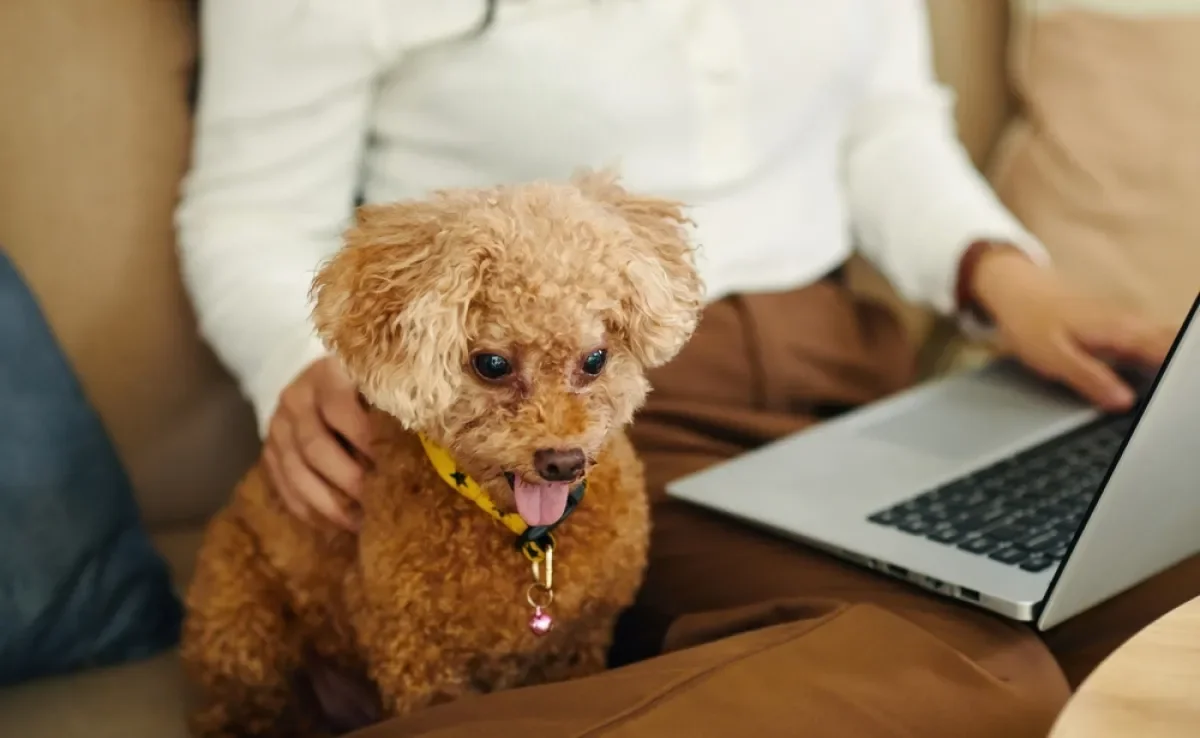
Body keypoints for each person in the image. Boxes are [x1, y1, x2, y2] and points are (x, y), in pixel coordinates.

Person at [176, 1, 1196, 735]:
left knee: (1172, 575)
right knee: (986, 680)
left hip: (860, 366)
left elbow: (885, 123)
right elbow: (253, 210)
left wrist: (1006, 277)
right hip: (595, 410)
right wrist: (298, 362)